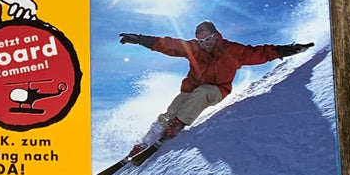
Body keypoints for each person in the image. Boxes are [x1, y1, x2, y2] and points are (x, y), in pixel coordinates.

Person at [119, 20, 313, 154]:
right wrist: (139, 39)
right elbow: (168, 45)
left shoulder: (232, 50)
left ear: (216, 35)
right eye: (201, 41)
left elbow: (259, 53)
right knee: (173, 109)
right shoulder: (193, 48)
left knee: (202, 92)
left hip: (216, 90)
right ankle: (146, 142)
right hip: (191, 90)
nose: (205, 44)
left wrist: (287, 50)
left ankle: (177, 125)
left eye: (209, 39)